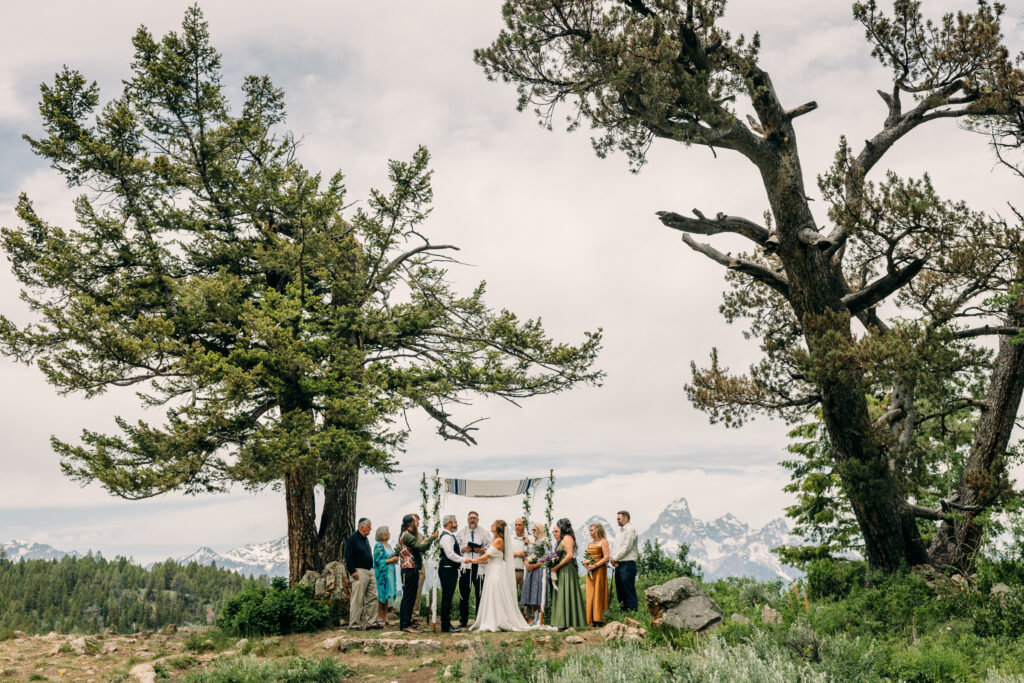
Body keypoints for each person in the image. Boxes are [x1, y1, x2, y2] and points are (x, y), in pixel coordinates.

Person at [466, 519, 535, 632]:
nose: (491, 525)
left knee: (496, 594)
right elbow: (489, 558)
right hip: (492, 569)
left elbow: (485, 557)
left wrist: (471, 560)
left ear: (498, 528)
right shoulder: (496, 540)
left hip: (496, 571)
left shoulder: (499, 541)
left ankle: (498, 620)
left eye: (493, 524)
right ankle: (493, 618)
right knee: (493, 594)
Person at [398, 513, 438, 633]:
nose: (417, 523)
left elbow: (418, 546)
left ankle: (406, 623)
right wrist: (432, 538)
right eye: (415, 522)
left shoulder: (408, 535)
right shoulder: (407, 536)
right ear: (411, 524)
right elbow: (420, 548)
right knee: (408, 598)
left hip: (412, 568)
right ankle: (405, 624)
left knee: (410, 597)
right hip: (409, 569)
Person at [548, 518, 586, 629]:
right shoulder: (563, 538)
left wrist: (556, 567)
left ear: (563, 527)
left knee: (567, 592)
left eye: (558, 526)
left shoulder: (568, 538)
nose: (557, 528)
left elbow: (569, 555)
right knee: (562, 594)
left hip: (567, 570)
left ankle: (568, 622)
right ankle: (563, 621)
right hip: (562, 569)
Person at [456, 511, 491, 626]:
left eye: (474, 518)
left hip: (479, 566)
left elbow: (490, 547)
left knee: (480, 594)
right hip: (466, 566)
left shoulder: (484, 533)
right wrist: (462, 549)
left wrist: (482, 551)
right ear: (467, 520)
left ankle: (479, 620)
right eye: (470, 518)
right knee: (464, 594)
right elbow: (455, 547)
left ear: (478, 520)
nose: (472, 520)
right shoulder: (461, 533)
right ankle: (463, 620)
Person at [343, 518, 379, 630]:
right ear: (362, 527)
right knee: (357, 598)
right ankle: (354, 624)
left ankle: (371, 623)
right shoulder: (352, 538)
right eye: (369, 526)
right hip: (359, 571)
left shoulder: (366, 539)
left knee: (373, 597)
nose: (371, 529)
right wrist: (352, 571)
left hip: (370, 570)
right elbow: (348, 556)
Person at [437, 514, 465, 633]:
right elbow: (450, 554)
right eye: (455, 522)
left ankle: (447, 623)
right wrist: (463, 559)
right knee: (447, 598)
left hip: (449, 569)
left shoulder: (449, 536)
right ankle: (445, 625)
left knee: (448, 597)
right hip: (447, 570)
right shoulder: (447, 537)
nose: (457, 523)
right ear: (449, 523)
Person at [610, 510, 639, 612]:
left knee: (628, 591)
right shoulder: (620, 531)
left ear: (625, 518)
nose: (617, 520)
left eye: (619, 518)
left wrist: (615, 558)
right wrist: (614, 559)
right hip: (619, 565)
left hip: (628, 564)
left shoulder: (630, 530)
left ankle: (633, 614)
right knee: (621, 592)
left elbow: (627, 547)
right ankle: (624, 615)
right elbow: (617, 547)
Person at [520, 522, 549, 623]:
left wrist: (534, 565)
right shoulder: (531, 541)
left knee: (539, 593)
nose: (533, 532)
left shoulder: (544, 541)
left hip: (539, 570)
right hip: (530, 571)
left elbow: (546, 557)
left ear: (540, 530)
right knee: (532, 594)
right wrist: (527, 562)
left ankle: (540, 618)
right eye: (532, 530)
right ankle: (534, 617)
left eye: (534, 530)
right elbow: (526, 554)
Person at [583, 523, 611, 627]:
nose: (590, 533)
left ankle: (599, 619)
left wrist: (595, 565)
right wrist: (586, 564)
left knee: (598, 593)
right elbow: (587, 556)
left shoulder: (604, 542)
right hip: (590, 571)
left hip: (599, 570)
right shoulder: (590, 544)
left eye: (592, 530)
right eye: (590, 530)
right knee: (590, 593)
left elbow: (607, 557)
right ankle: (591, 619)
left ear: (598, 531)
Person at [372, 525, 400, 628]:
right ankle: (379, 617)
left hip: (390, 573)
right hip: (382, 575)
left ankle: (385, 618)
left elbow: (391, 556)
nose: (389, 533)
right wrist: (392, 560)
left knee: (387, 595)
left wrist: (395, 557)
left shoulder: (388, 545)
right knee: (381, 595)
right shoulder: (378, 546)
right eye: (387, 532)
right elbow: (378, 561)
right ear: (383, 534)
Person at [510, 518, 529, 594]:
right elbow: (505, 553)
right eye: (516, 525)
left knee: (526, 596)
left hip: (524, 571)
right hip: (512, 571)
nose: (517, 526)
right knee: (511, 595)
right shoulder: (510, 539)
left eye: (519, 525)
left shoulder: (528, 539)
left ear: (524, 526)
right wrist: (517, 554)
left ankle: (525, 606)